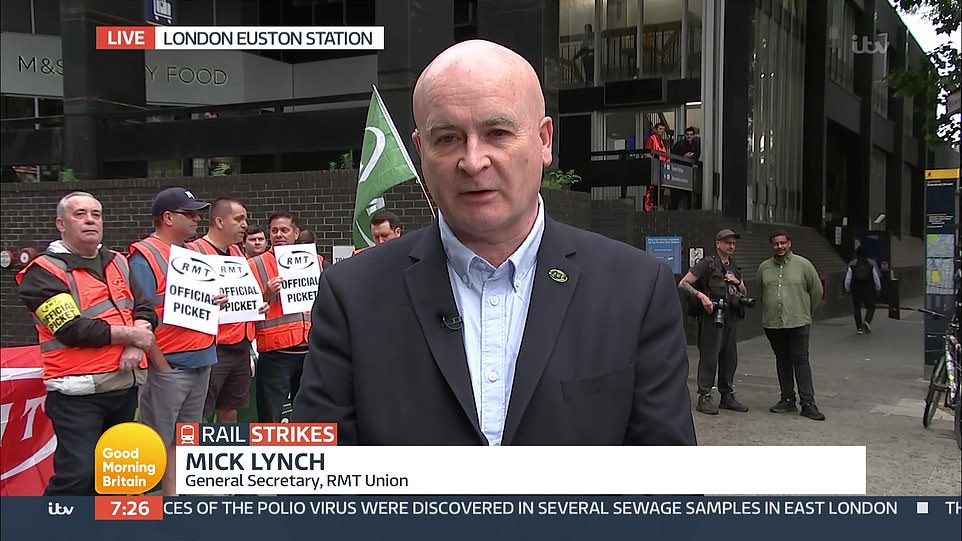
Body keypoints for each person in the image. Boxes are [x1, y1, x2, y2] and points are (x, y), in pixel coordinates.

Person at [292, 40, 695, 446]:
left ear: (544, 140)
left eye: (497, 132)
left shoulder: (636, 289)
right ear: (420, 151)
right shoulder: (352, 295)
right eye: (447, 138)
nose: (473, 161)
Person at [16, 191, 162, 495]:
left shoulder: (118, 261)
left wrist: (137, 342)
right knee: (77, 475)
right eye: (80, 214)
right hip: (77, 392)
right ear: (61, 223)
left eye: (96, 214)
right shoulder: (42, 272)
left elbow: (145, 308)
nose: (90, 220)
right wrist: (132, 335)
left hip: (124, 387)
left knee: (116, 478)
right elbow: (70, 328)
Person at [128, 187, 225, 495]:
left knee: (183, 442)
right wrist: (160, 365)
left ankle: (173, 505)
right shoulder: (145, 257)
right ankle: (144, 507)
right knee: (154, 441)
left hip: (201, 360)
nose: (198, 219)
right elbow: (140, 314)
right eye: (190, 214)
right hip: (169, 364)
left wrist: (214, 301)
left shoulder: (194, 253)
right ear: (168, 218)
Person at [248, 211, 322, 422]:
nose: (279, 235)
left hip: (309, 350)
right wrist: (266, 295)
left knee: (308, 415)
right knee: (270, 417)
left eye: (284, 230)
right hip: (275, 352)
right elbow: (244, 306)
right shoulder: (256, 265)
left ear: (296, 232)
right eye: (274, 231)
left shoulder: (315, 261)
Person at [186, 197, 255, 423]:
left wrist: (259, 302)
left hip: (240, 344)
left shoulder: (237, 253)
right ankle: (197, 456)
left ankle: (227, 455)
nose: (245, 224)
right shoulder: (194, 252)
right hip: (212, 347)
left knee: (230, 409)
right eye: (238, 219)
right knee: (200, 412)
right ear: (219, 221)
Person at [678, 228, 750, 415]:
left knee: (730, 357)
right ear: (718, 243)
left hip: (731, 316)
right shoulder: (707, 264)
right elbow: (683, 283)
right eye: (728, 242)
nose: (731, 246)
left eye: (734, 243)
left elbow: (744, 292)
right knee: (710, 357)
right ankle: (705, 395)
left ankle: (727, 395)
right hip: (712, 317)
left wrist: (738, 282)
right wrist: (701, 296)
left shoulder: (734, 266)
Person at [758, 230, 826, 421]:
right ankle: (787, 399)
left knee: (801, 361)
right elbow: (762, 292)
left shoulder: (803, 265)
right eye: (775, 244)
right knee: (782, 360)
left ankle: (808, 403)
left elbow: (817, 290)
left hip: (798, 322)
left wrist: (805, 311)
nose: (779, 247)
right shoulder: (764, 267)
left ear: (789, 243)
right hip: (773, 323)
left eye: (782, 243)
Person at [844, 246, 882, 335]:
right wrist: (878, 288)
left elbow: (848, 279)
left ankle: (859, 328)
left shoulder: (852, 264)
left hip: (856, 289)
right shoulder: (871, 264)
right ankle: (867, 321)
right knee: (871, 306)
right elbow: (876, 278)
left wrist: (847, 288)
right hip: (869, 289)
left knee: (857, 308)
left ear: (856, 254)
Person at [643, 122, 669, 211]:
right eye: (660, 129)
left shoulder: (662, 142)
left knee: (661, 188)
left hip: (661, 169)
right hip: (654, 168)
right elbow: (647, 153)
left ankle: (658, 205)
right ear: (655, 129)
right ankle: (649, 208)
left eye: (663, 129)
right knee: (651, 189)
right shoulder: (651, 139)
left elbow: (665, 156)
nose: (662, 131)